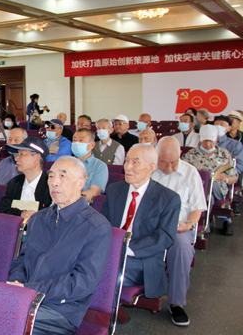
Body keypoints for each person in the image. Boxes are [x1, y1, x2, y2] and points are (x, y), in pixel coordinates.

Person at [8, 156, 112, 335]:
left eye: (62, 176)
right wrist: (17, 284)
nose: (54, 182)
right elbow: (22, 261)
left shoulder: (96, 226)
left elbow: (82, 282)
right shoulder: (38, 219)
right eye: (51, 176)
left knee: (1, 319)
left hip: (60, 309)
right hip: (25, 297)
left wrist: (30, 291)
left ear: (81, 183)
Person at [101, 144, 180, 301]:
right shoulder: (114, 190)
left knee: (101, 269)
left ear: (151, 167)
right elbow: (103, 225)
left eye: (135, 162)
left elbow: (165, 237)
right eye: (127, 161)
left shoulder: (168, 198)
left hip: (142, 261)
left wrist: (126, 249)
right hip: (110, 252)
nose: (127, 167)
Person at [151, 137, 206, 326]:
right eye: (163, 162)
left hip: (179, 226)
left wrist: (189, 224)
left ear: (180, 154)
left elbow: (197, 207)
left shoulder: (190, 173)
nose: (168, 167)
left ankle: (177, 303)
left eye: (173, 162)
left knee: (181, 247)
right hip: (151, 224)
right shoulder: (150, 169)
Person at [182, 125, 237, 235]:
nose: (208, 144)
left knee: (210, 186)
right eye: (205, 141)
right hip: (196, 188)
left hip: (218, 188)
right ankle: (204, 223)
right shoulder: (191, 154)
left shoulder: (224, 154)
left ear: (216, 139)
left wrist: (225, 178)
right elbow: (183, 173)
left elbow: (234, 178)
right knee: (208, 197)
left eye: (211, 141)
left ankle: (201, 223)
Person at [0, 137, 51, 219]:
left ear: (36, 158)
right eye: (17, 154)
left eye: (21, 154)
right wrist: (21, 214)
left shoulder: (50, 185)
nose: (16, 158)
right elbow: (1, 211)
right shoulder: (14, 183)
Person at [72, 129, 108, 202]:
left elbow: (93, 192)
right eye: (74, 140)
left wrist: (69, 199)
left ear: (92, 145)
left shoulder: (99, 166)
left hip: (82, 205)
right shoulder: (66, 163)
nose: (76, 143)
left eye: (81, 140)